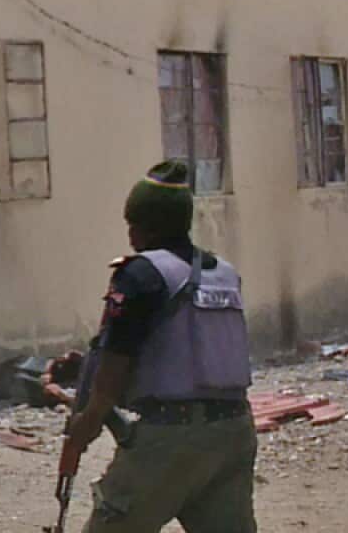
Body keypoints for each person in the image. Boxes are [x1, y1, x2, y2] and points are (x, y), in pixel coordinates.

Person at [65, 160, 258, 533]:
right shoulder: (223, 273)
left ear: (147, 224)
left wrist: (86, 424)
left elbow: (117, 362)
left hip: (172, 436)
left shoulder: (141, 274)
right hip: (233, 431)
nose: (131, 234)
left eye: (133, 224)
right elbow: (186, 347)